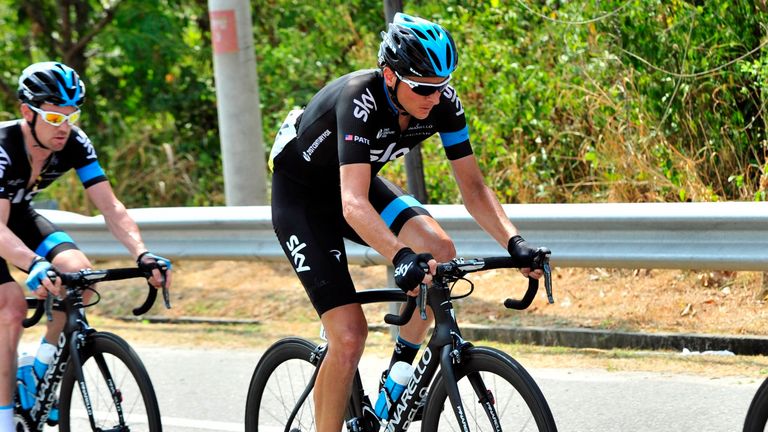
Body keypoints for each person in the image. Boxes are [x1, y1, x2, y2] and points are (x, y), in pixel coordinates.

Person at [269, 13, 543, 431]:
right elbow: (352, 203)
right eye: (422, 88)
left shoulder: (442, 103)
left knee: (440, 249)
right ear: (389, 75)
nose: (433, 98)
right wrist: (399, 255)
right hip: (303, 199)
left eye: (441, 86)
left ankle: (396, 380)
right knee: (348, 336)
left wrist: (514, 242)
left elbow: (474, 189)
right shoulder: (359, 100)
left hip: (355, 187)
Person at [0, 61, 172, 431]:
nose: (65, 127)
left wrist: (141, 253)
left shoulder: (74, 141)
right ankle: (4, 420)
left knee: (79, 275)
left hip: (18, 215)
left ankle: (38, 370)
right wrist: (33, 264)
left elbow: (110, 207)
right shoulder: (3, 148)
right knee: (10, 306)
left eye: (72, 115)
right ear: (27, 112)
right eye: (54, 118)